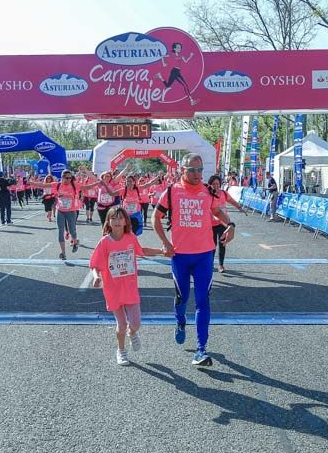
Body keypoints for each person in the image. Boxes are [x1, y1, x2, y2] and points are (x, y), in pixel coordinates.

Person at [153, 153, 234, 366]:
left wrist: (230, 225)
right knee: (182, 298)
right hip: (179, 256)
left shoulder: (208, 191)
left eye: (200, 169)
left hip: (204, 255)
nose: (197, 174)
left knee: (202, 301)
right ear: (182, 169)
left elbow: (218, 211)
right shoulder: (171, 192)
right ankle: (180, 322)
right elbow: (156, 218)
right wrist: (165, 242)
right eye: (192, 170)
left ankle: (201, 349)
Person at [90, 207, 163, 366]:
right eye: (113, 218)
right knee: (121, 324)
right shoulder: (104, 242)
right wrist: (96, 277)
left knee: (135, 323)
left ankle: (132, 333)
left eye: (120, 218)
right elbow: (95, 264)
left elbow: (142, 251)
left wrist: (162, 251)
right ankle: (121, 351)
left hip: (129, 287)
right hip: (112, 288)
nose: (117, 221)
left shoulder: (130, 237)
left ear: (125, 221)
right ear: (108, 221)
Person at [208, 174, 246, 274]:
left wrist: (240, 208)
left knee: (222, 244)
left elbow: (232, 201)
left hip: (223, 223)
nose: (216, 186)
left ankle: (221, 265)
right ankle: (210, 264)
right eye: (213, 184)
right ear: (210, 184)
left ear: (220, 184)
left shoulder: (224, 194)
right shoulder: (208, 194)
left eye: (217, 184)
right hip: (211, 223)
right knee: (212, 245)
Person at [54, 170, 82, 259]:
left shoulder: (74, 185)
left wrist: (99, 183)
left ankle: (75, 242)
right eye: (66, 178)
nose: (69, 179)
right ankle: (63, 253)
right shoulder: (57, 185)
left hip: (71, 211)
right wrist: (30, 182)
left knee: (72, 230)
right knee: (60, 231)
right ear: (62, 177)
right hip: (60, 211)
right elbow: (43, 185)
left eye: (70, 178)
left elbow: (86, 187)